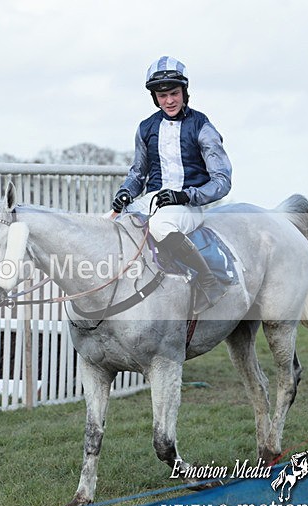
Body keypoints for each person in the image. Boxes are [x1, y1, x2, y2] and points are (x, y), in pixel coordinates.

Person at [111, 55, 232, 313]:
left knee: (160, 224)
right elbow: (137, 174)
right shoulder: (145, 128)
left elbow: (222, 181)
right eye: (161, 95)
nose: (169, 101)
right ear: (154, 97)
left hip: (189, 206)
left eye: (174, 93)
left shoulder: (202, 127)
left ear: (184, 92)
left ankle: (209, 281)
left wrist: (184, 197)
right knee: (108, 223)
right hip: (153, 200)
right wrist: (125, 193)